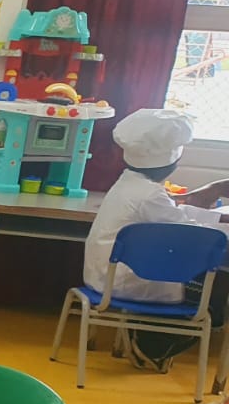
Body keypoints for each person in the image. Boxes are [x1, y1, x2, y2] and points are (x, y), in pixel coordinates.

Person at [83, 109, 229, 371]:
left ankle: (149, 335)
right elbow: (189, 231)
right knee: (210, 288)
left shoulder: (130, 183)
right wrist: (219, 224)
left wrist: (217, 219)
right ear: (172, 162)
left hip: (104, 277)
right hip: (128, 283)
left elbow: (175, 215)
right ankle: (154, 343)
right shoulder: (151, 195)